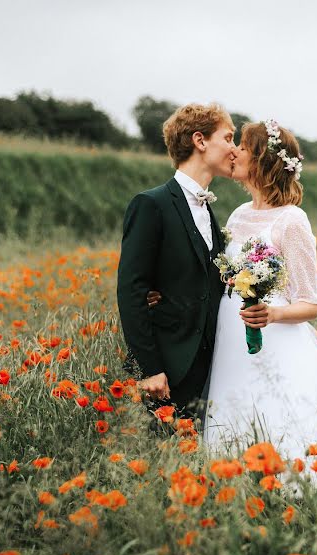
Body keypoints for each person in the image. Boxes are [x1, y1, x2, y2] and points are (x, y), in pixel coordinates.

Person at [202, 120, 317, 464]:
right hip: (230, 331)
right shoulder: (237, 216)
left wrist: (272, 314)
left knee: (281, 415)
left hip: (276, 336)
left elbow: (311, 304)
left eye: (244, 148)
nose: (234, 151)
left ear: (262, 161)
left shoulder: (292, 221)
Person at [117, 103, 237, 425]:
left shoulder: (210, 212)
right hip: (167, 371)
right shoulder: (151, 204)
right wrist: (150, 369)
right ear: (200, 141)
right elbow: (131, 291)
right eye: (228, 138)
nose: (234, 149)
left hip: (211, 367)